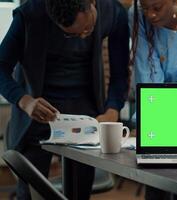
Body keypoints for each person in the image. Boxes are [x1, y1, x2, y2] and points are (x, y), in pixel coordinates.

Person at [0, 0, 129, 199]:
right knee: (31, 194)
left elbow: (120, 72)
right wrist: (24, 100)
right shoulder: (29, 15)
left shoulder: (114, 13)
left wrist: (113, 108)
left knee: (79, 192)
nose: (83, 35)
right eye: (69, 33)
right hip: (37, 116)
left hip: (87, 120)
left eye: (89, 27)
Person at [129, 0, 177, 199]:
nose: (150, 15)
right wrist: (149, 120)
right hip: (155, 120)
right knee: (156, 186)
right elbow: (146, 72)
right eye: (146, 8)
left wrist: (157, 113)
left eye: (157, 8)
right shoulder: (137, 15)